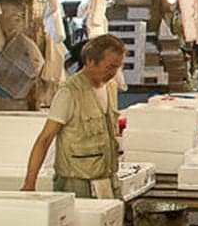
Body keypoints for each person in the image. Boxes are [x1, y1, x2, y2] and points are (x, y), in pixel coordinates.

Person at [22, 35, 125, 198]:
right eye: (109, 67)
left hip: (107, 180)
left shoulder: (111, 88)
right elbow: (45, 139)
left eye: (117, 67)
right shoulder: (69, 93)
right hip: (77, 183)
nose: (113, 73)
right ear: (90, 61)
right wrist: (30, 183)